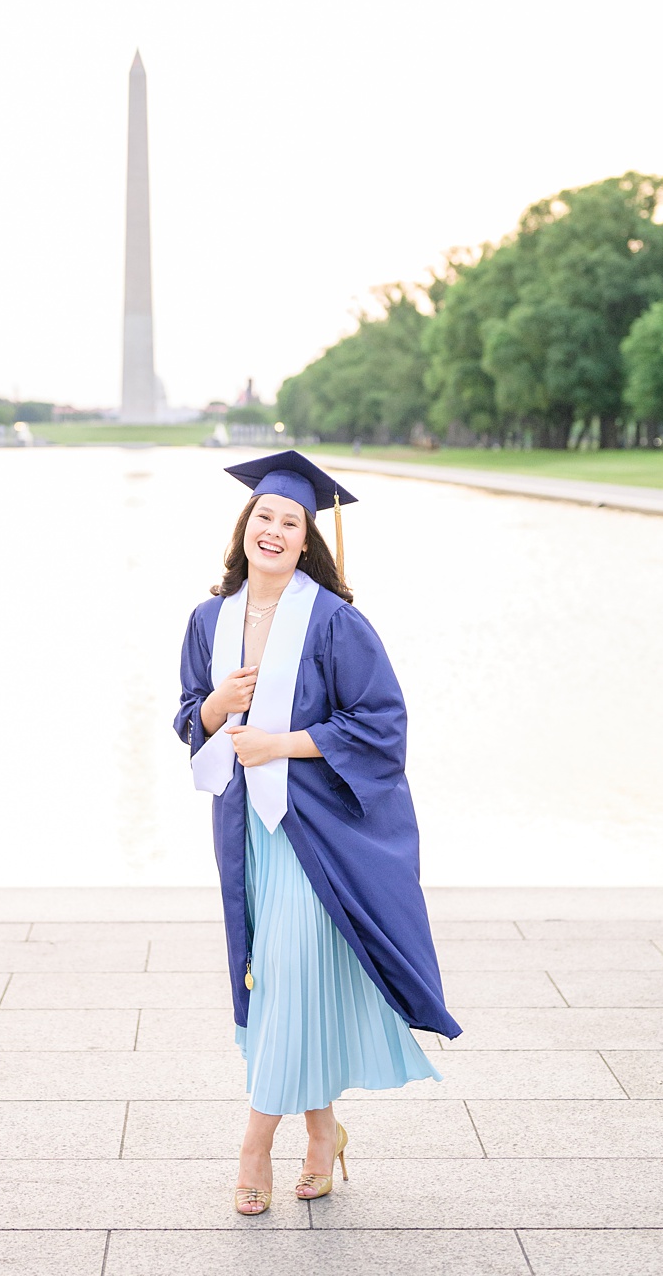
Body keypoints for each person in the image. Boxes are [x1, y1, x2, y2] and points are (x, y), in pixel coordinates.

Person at [174, 449, 459, 1216]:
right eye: (263, 516)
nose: (273, 530)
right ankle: (324, 1132)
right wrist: (211, 710)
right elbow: (187, 717)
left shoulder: (335, 622)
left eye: (289, 522)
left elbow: (380, 725)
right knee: (280, 982)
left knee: (291, 974)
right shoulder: (210, 620)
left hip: (315, 832)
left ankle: (253, 1146)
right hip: (246, 834)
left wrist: (281, 744)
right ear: (246, 528)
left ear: (307, 541)